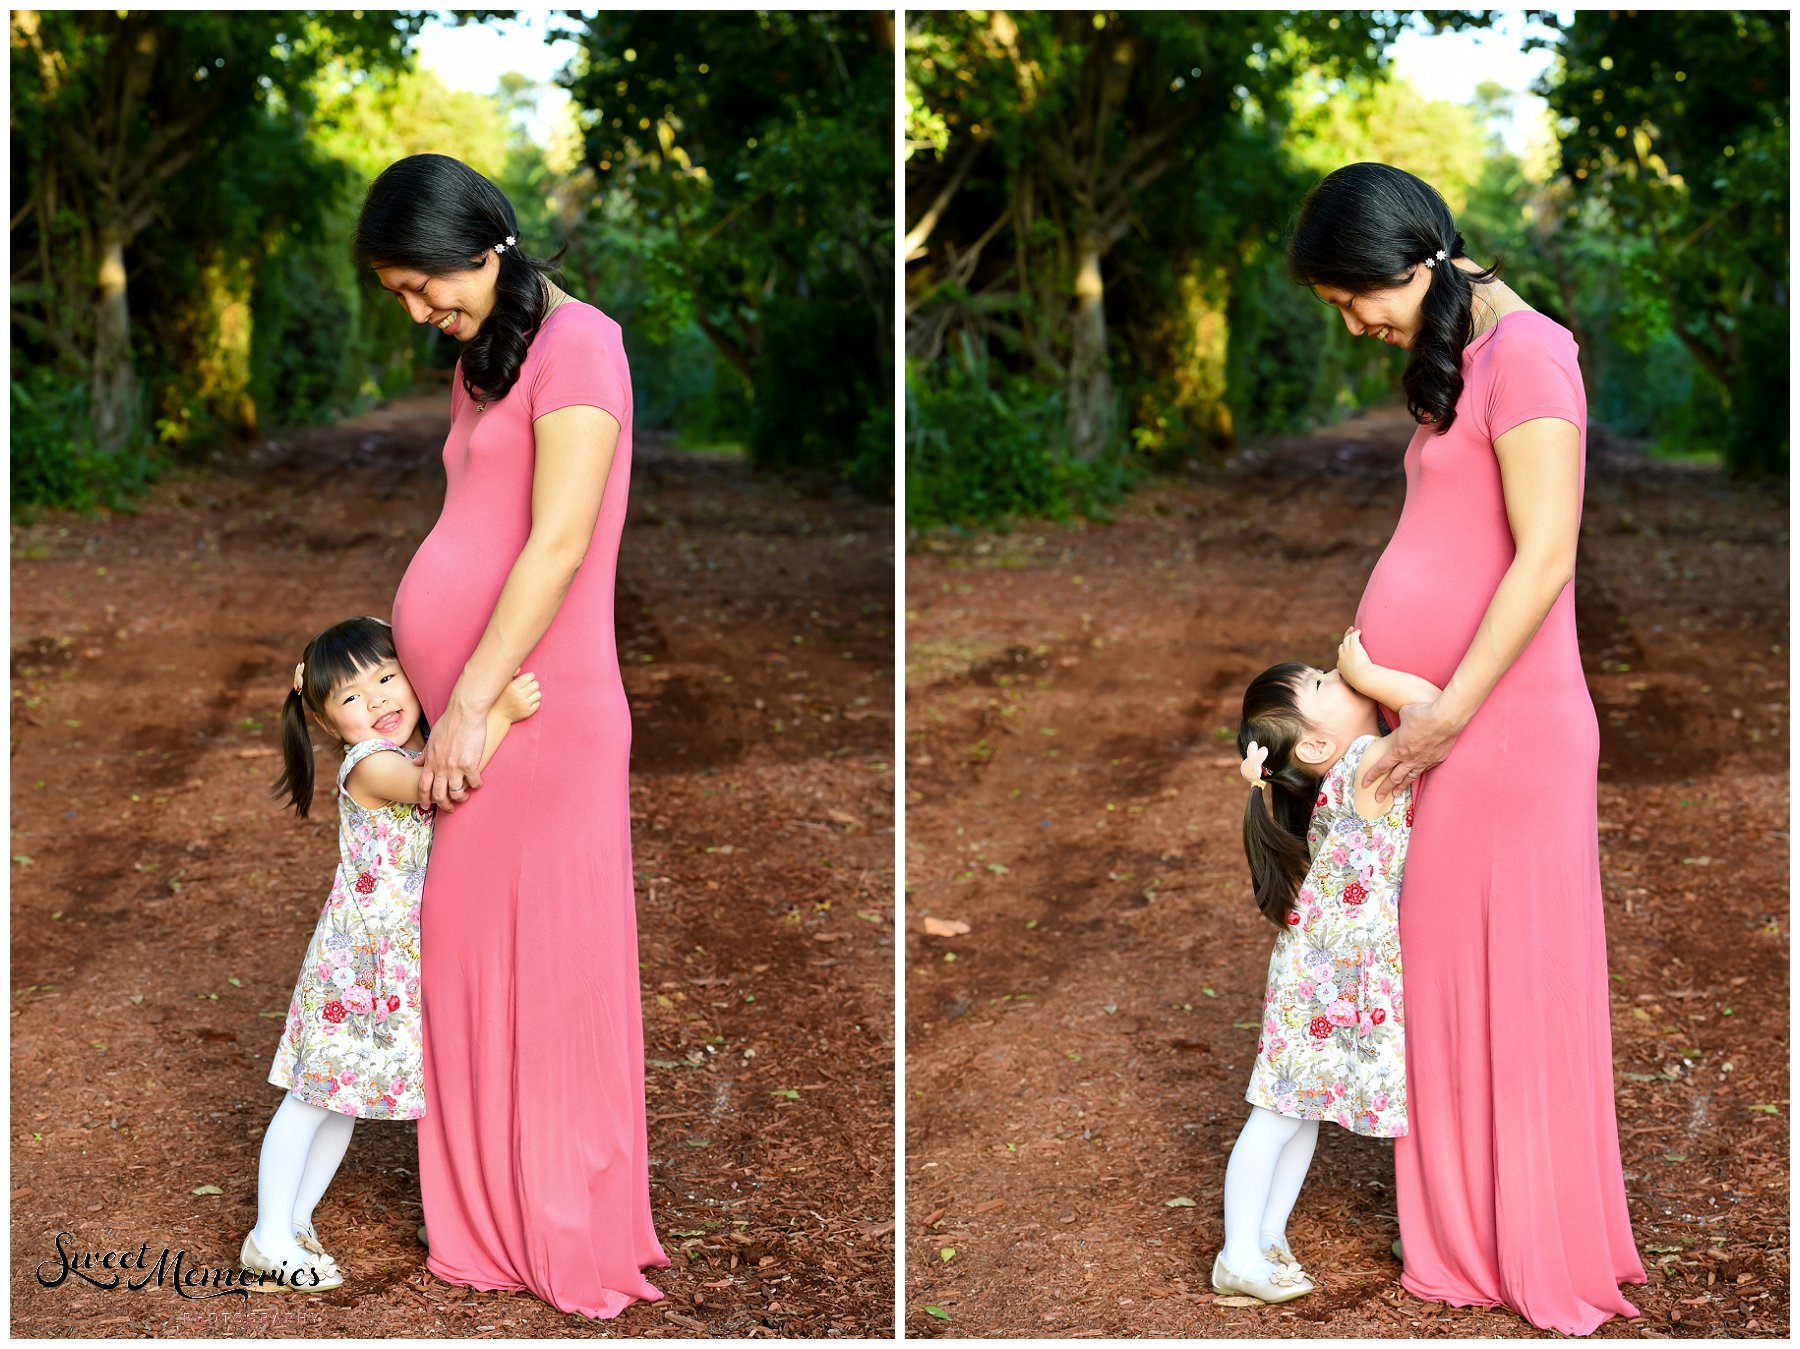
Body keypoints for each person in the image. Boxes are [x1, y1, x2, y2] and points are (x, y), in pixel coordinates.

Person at [1285, 162, 1645, 1336]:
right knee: (1438, 972)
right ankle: (1466, 1233)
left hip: (1506, 723)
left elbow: (1544, 557)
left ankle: (1524, 1239)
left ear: (1412, 257)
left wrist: (1441, 716)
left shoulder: (1532, 350)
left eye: (1352, 297)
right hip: (1440, 718)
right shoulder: (1461, 350)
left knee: (1506, 979)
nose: (1351, 320)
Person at [353, 153, 668, 1318]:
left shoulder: (582, 340)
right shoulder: (484, 360)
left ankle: (555, 1219)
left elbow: (557, 543)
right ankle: (485, 1214)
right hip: (482, 705)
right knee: (475, 961)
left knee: (546, 965)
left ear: (485, 244)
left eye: (424, 284)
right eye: (397, 294)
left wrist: (473, 701)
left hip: (541, 709)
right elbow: (467, 520)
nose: (418, 309)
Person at [245, 616, 538, 1292]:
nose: (377, 700)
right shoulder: (372, 765)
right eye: (351, 697)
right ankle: (268, 1233)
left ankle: (292, 1222)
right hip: (356, 964)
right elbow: (442, 785)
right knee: (310, 1102)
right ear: (326, 722)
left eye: (386, 677)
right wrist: (497, 713)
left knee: (339, 1104)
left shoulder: (405, 747)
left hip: (385, 964)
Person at [1213, 630, 1428, 1303]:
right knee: (1276, 1116)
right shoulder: (1366, 762)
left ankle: (1268, 1236)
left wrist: (1354, 678)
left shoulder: (1345, 767)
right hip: (1323, 982)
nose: (1341, 674)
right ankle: (1236, 1253)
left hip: (1328, 976)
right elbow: (1432, 710)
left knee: (1300, 1113)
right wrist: (1374, 670)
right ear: (1312, 746)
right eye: (1324, 684)